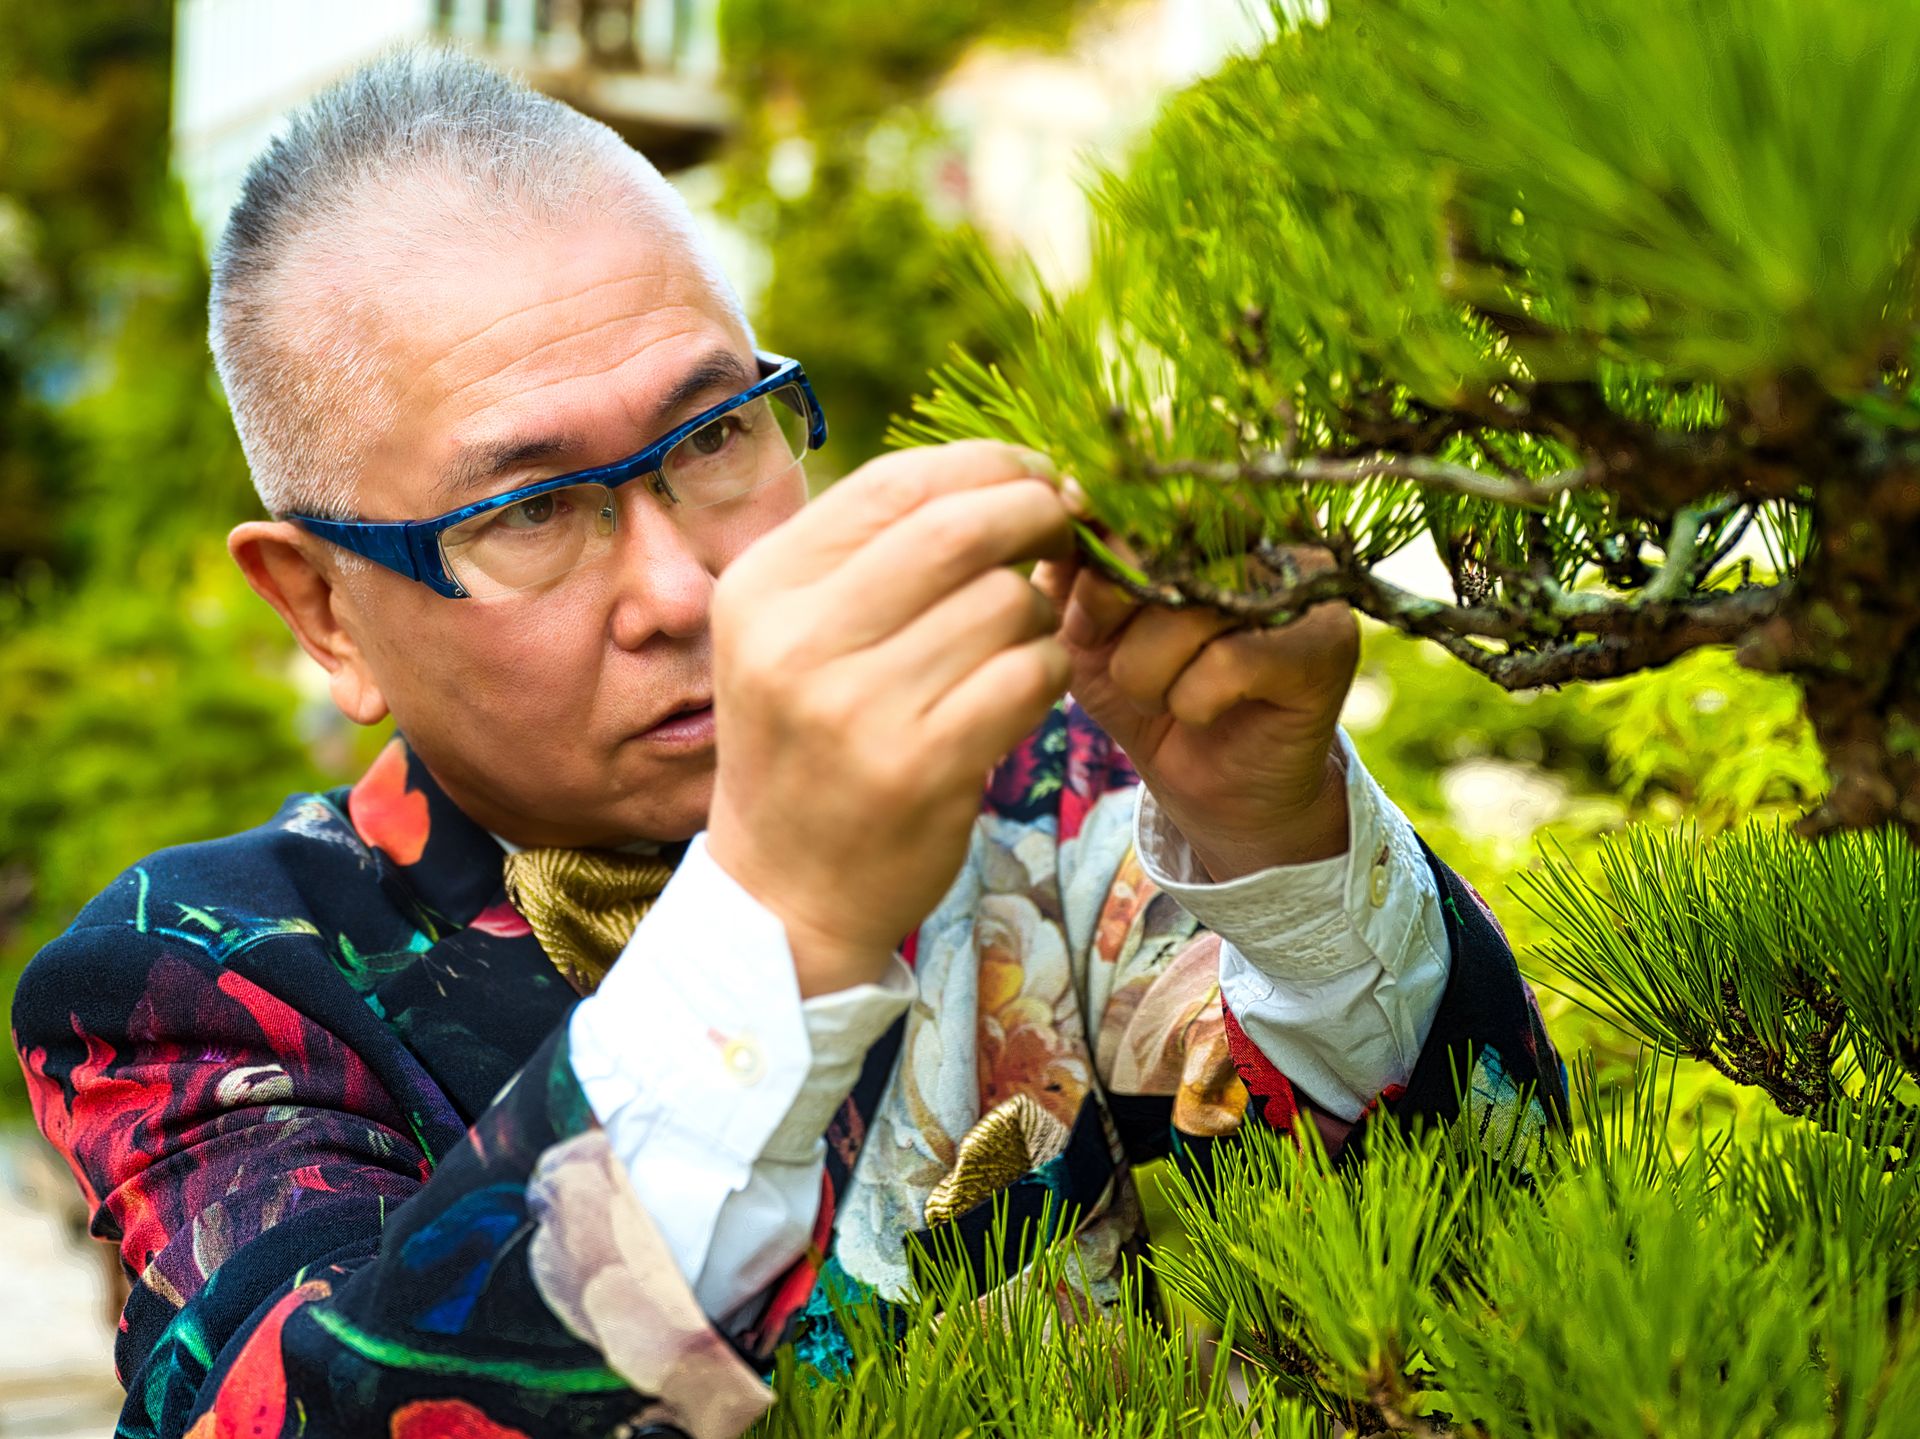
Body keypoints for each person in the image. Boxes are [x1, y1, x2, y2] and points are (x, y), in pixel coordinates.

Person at [12, 47, 1562, 1439]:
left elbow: (1468, 1256)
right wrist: (784, 921)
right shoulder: (198, 986)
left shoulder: (1049, 786)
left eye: (714, 437)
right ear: (323, 610)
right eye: (531, 510)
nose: (688, 589)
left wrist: (1272, 831)